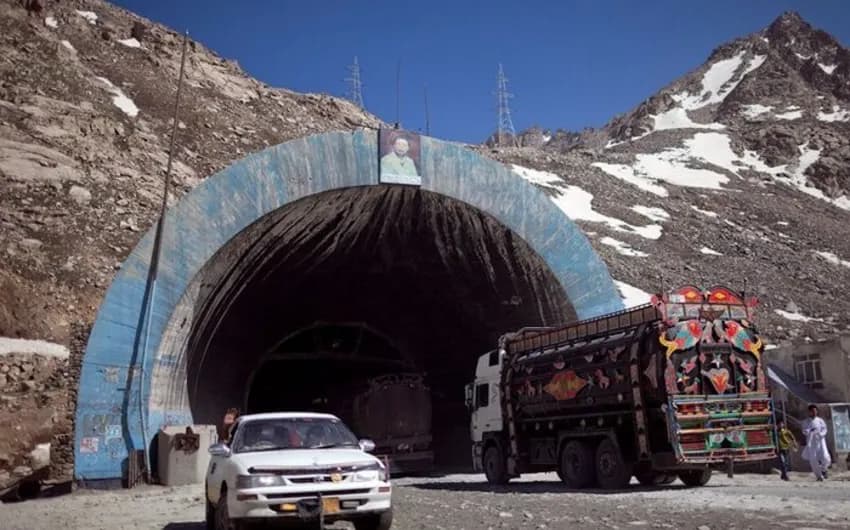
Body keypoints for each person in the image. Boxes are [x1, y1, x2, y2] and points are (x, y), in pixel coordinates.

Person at [802, 404, 832, 481]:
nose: (814, 412)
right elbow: (804, 431)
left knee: (825, 457)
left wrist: (820, 434)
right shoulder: (806, 421)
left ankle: (824, 469)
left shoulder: (820, 420)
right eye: (812, 411)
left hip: (820, 441)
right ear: (809, 412)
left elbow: (825, 429)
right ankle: (819, 476)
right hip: (811, 442)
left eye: (816, 411)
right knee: (813, 459)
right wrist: (810, 430)